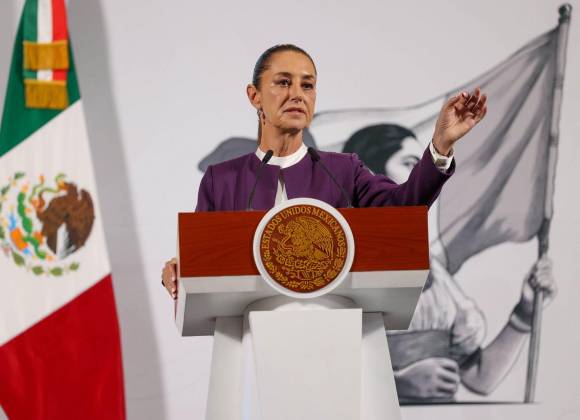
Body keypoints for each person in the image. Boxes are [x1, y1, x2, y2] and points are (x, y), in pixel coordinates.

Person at [161, 44, 487, 300]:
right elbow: (204, 258)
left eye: (307, 85)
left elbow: (404, 210)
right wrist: (181, 269)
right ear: (254, 95)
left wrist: (441, 144)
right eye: (283, 83)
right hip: (250, 337)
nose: (297, 94)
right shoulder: (222, 179)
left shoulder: (343, 170)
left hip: (338, 331)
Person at [343, 123, 557, 402]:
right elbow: (314, 370)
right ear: (368, 176)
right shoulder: (333, 264)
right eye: (410, 164)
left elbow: (480, 378)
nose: (423, 175)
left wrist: (525, 312)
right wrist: (397, 384)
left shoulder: (433, 272)